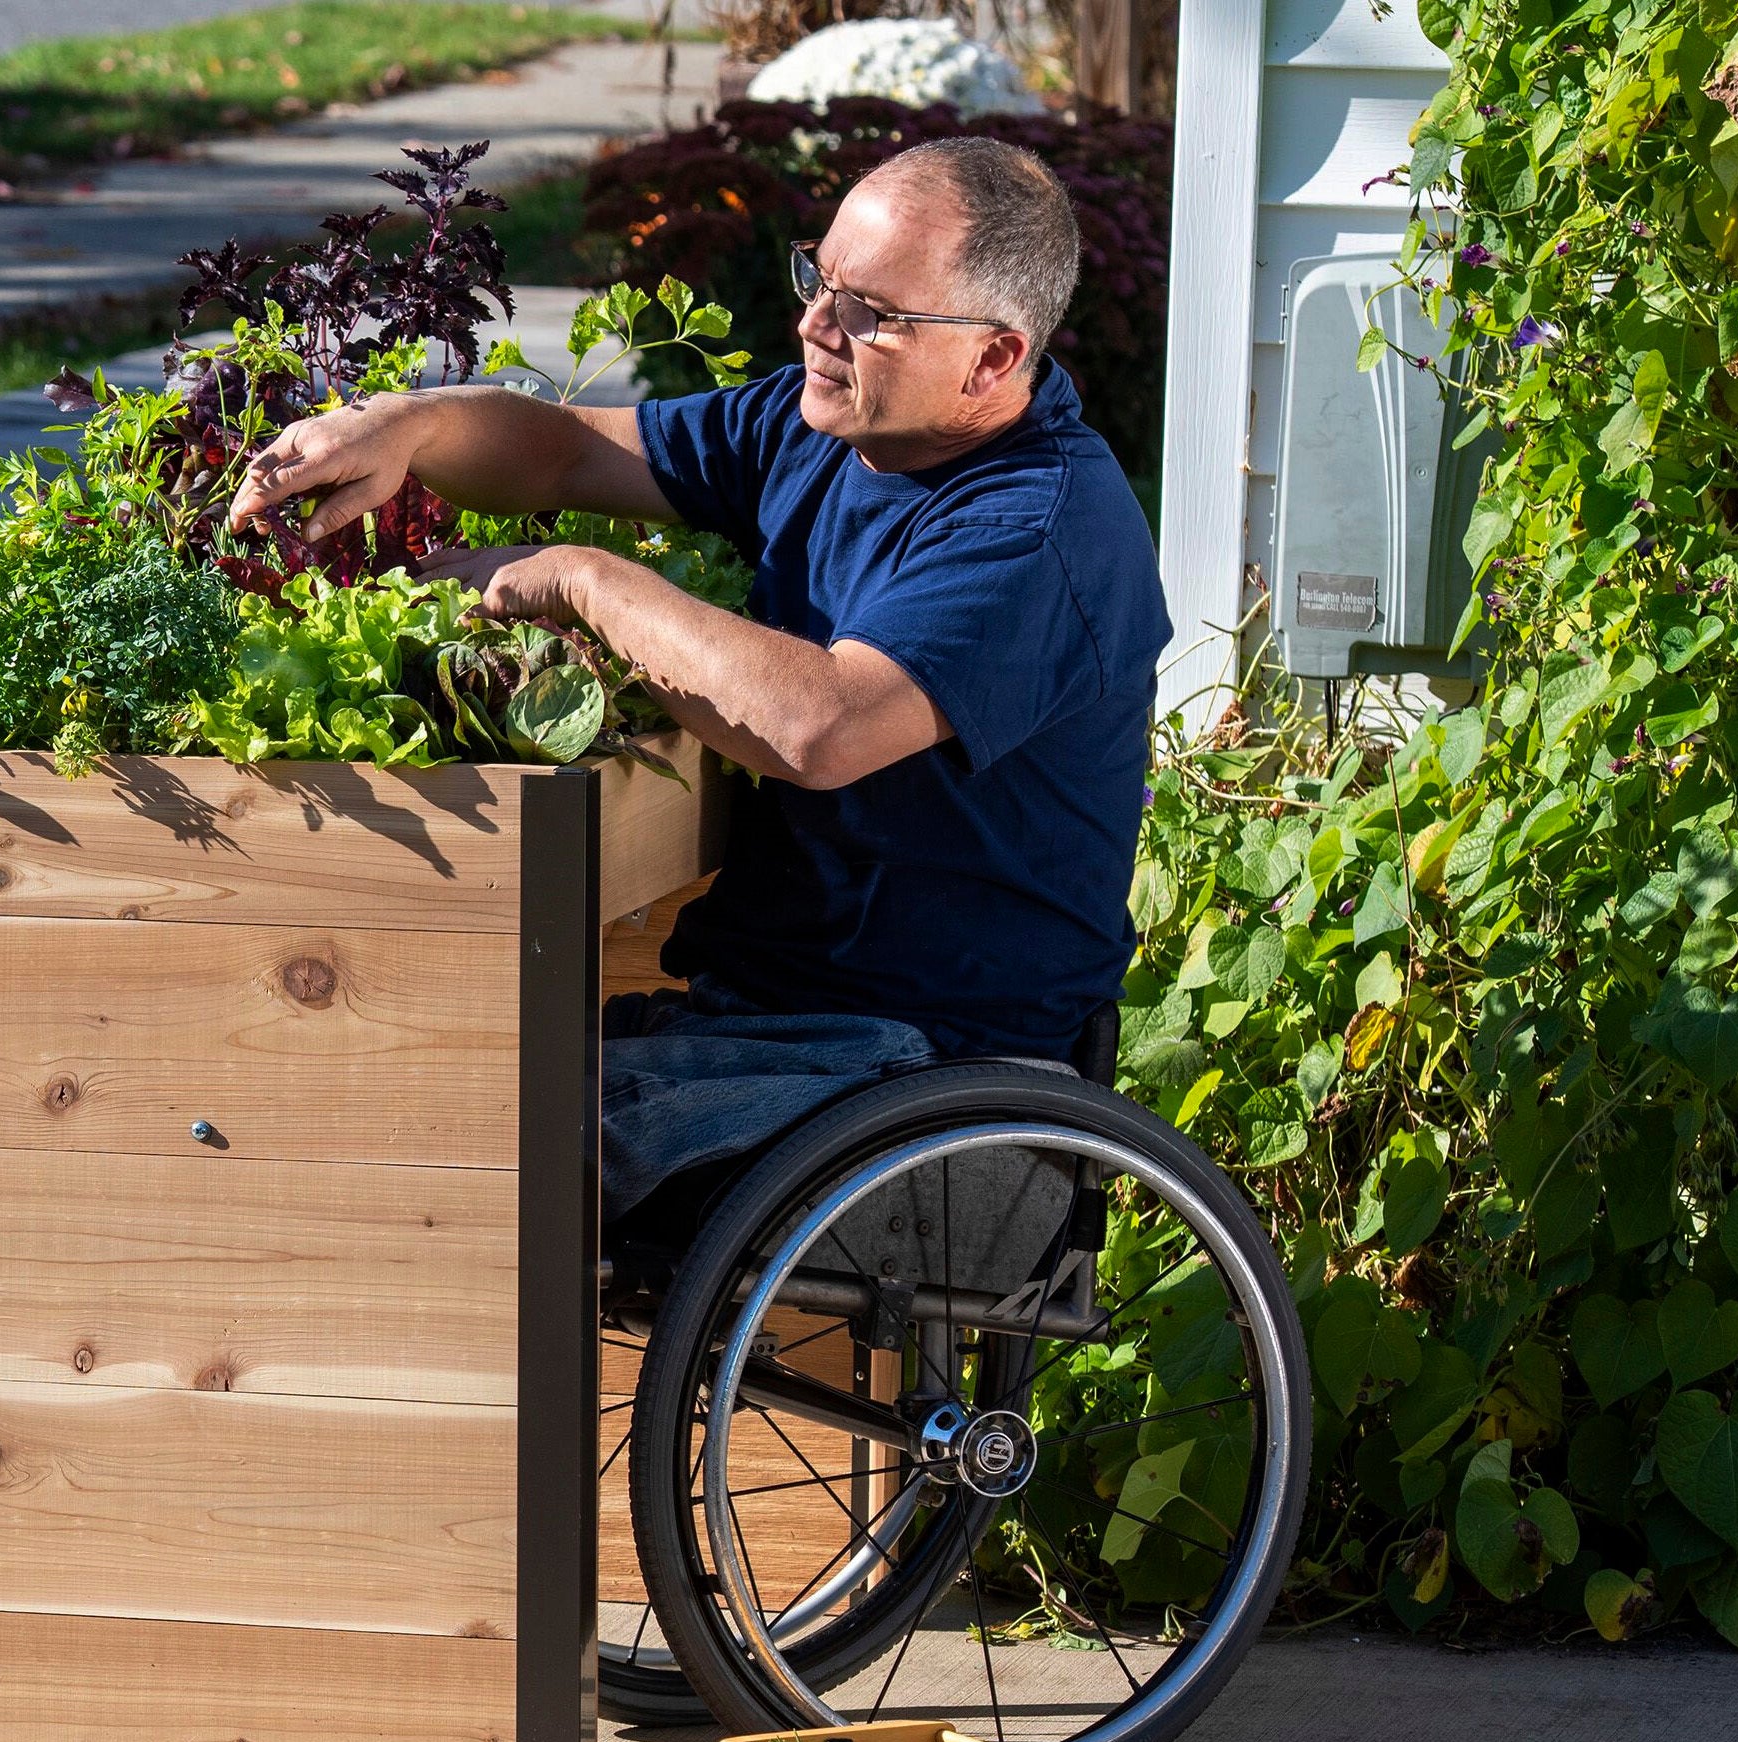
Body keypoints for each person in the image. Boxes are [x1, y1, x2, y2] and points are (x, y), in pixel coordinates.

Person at [228, 135, 1170, 1219]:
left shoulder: (1035, 529)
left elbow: (822, 727)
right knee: (388, 1058)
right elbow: (569, 450)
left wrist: (583, 579)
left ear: (995, 358)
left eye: (869, 311)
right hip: (771, 1023)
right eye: (817, 276)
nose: (816, 324)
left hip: (929, 1079)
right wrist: (404, 424)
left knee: (460, 1139)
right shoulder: (829, 427)